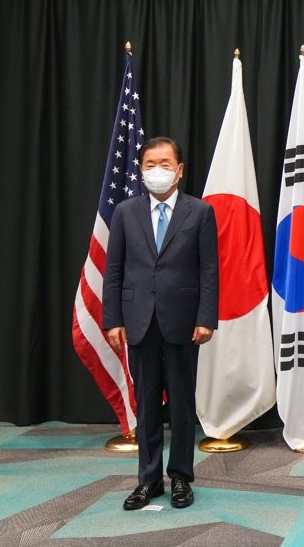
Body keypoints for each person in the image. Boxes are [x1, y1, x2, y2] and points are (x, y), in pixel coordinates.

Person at [102, 136, 218, 510]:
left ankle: (181, 476)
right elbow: (114, 270)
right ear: (140, 169)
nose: (157, 170)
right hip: (138, 321)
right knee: (146, 404)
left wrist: (205, 317)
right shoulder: (125, 212)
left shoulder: (199, 212)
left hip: (184, 321)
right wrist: (112, 319)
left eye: (165, 163)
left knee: (183, 403)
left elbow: (209, 271)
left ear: (179, 170)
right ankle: (148, 480)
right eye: (150, 163)